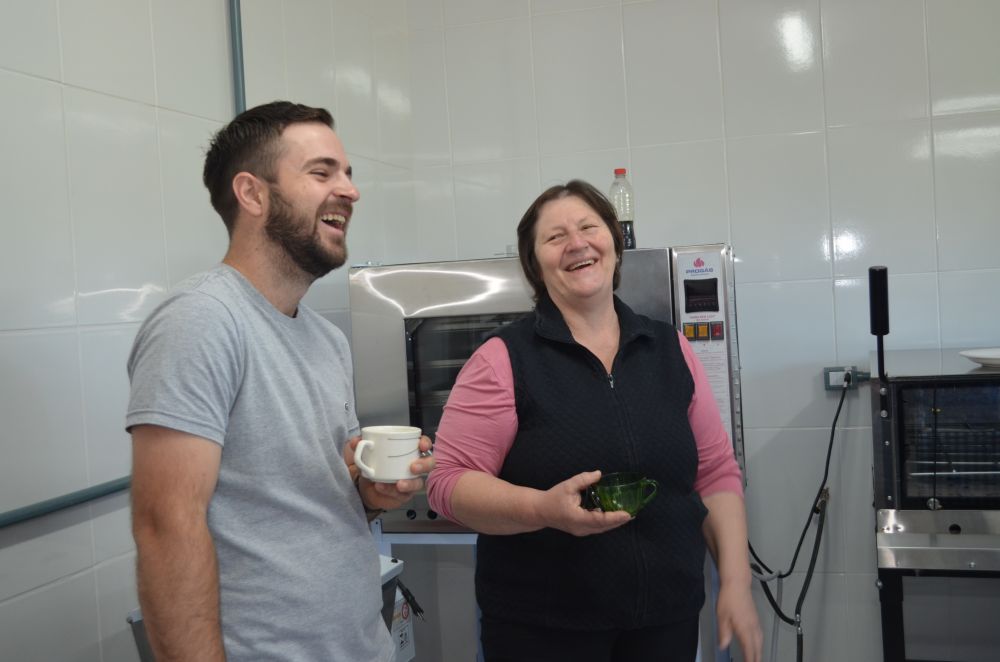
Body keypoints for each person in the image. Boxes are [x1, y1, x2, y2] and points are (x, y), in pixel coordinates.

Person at [126, 101, 434, 661]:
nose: (350, 191)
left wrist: (372, 494)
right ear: (253, 194)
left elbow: (318, 498)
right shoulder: (201, 320)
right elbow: (165, 527)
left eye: (347, 174)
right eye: (321, 172)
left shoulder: (326, 339)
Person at [426, 180, 762, 662]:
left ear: (614, 243)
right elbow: (447, 481)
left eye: (589, 227)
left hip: (666, 622)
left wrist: (735, 582)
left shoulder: (671, 349)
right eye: (555, 237)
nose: (577, 243)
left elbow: (715, 474)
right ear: (535, 266)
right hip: (542, 631)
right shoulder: (502, 359)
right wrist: (543, 509)